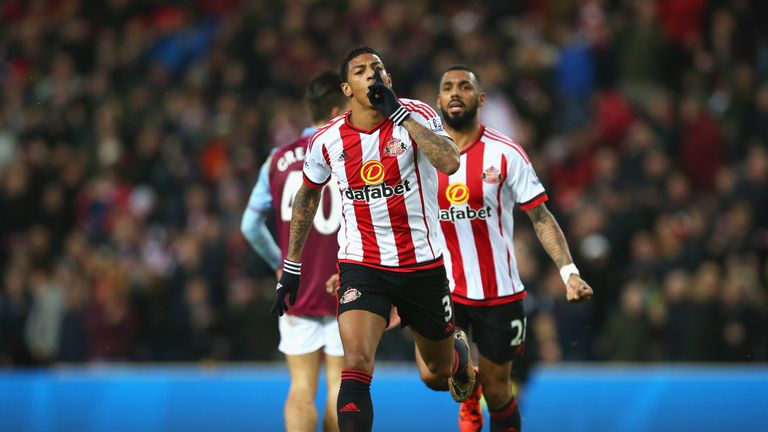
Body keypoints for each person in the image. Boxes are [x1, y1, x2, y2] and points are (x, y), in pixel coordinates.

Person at [269, 46, 475, 432]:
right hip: (362, 265)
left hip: (421, 264)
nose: (372, 74)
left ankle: (457, 352)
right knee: (357, 363)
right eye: (361, 71)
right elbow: (307, 196)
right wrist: (291, 267)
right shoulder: (327, 140)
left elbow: (449, 162)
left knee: (435, 374)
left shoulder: (418, 115)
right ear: (347, 88)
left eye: (378, 68)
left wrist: (398, 114)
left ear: (389, 80)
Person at [417, 65, 594, 432]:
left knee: (498, 392)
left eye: (464, 87)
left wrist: (569, 272)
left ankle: (474, 393)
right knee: (433, 375)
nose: (454, 93)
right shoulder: (421, 157)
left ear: (480, 99)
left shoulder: (505, 153)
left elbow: (541, 217)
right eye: (447, 87)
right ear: (437, 101)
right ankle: (465, 383)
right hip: (443, 288)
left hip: (499, 291)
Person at [241, 70, 349, 432]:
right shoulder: (350, 154)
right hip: (346, 285)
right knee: (341, 386)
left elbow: (250, 226)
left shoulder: (277, 159)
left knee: (301, 388)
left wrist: (279, 264)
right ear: (336, 109)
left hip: (296, 288)